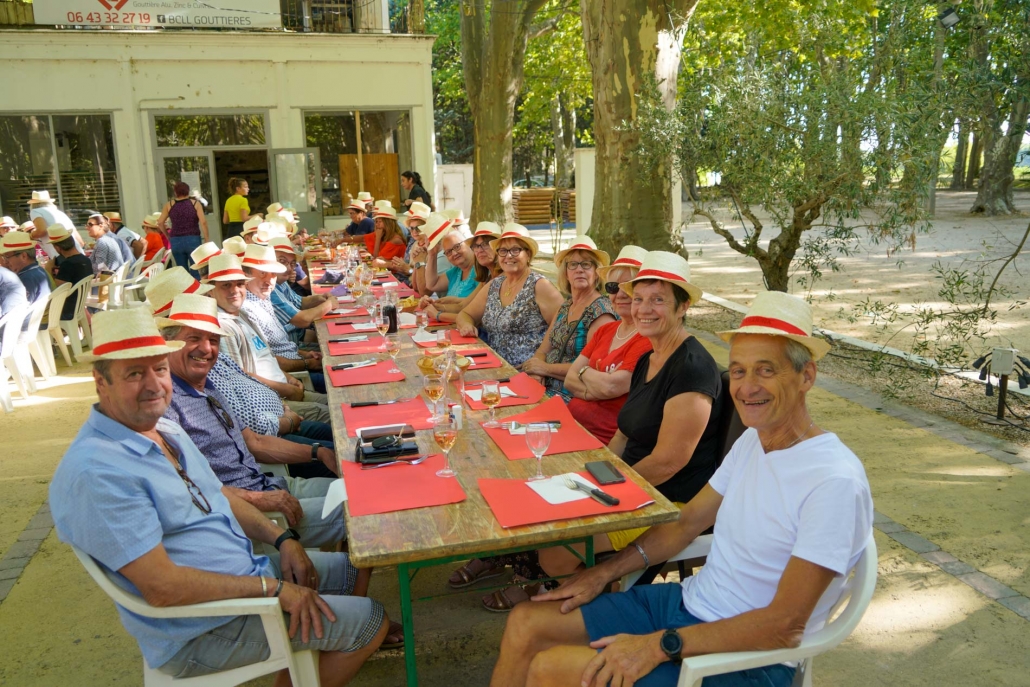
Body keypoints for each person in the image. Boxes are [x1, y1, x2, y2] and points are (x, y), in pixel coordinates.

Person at [491, 291, 872, 687]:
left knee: (551, 668)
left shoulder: (833, 481)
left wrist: (660, 645)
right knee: (525, 622)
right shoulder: (753, 441)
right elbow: (686, 522)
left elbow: (785, 625)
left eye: (766, 371)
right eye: (739, 371)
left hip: (750, 657)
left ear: (806, 376)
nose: (747, 387)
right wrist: (603, 573)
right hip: (689, 604)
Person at [49, 307, 391, 685]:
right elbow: (162, 588)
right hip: (203, 627)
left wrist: (283, 540)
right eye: (134, 373)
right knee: (370, 621)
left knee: (354, 568)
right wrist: (274, 589)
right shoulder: (97, 472)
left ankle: (310, 654)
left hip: (246, 575)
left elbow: (219, 495)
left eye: (158, 369)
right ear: (101, 381)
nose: (153, 384)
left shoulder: (163, 430)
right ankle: (320, 648)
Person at [158, 294, 344, 545]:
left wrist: (317, 452)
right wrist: (257, 500)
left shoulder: (207, 385)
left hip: (271, 484)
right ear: (168, 344)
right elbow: (189, 491)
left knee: (356, 488)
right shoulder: (166, 406)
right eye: (194, 338)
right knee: (357, 509)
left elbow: (255, 442)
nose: (206, 348)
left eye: (213, 340)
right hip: (251, 516)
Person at [144, 267, 335, 456]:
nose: (207, 301)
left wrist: (284, 393)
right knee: (335, 421)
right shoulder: (195, 368)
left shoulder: (213, 343)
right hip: (275, 432)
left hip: (280, 410)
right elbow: (252, 437)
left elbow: (253, 368)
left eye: (240, 284)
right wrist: (289, 420)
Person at [204, 252, 331, 424]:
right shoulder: (223, 326)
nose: (235, 290)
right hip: (270, 405)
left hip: (284, 387)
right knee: (335, 413)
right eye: (226, 285)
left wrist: (288, 378)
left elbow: (266, 354)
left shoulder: (241, 313)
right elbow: (241, 380)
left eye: (239, 284)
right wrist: (288, 385)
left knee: (338, 403)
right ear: (211, 290)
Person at [564, 246, 652, 444]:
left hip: (603, 439)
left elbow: (611, 387)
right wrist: (593, 389)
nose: (619, 294)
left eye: (628, 287)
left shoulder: (647, 339)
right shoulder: (606, 330)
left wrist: (583, 372)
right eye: (613, 287)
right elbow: (569, 379)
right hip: (570, 424)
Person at [456, 224, 563, 368]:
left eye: (515, 250)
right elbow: (465, 314)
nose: (508, 256)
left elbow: (563, 328)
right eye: (503, 251)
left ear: (528, 254)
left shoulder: (539, 285)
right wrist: (467, 325)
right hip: (491, 366)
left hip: (525, 371)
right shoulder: (495, 285)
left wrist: (541, 362)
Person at [521, 236, 616, 398]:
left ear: (596, 273)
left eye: (586, 264)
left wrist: (545, 369)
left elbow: (591, 367)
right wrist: (536, 373)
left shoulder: (601, 312)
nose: (579, 270)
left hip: (571, 394)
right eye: (573, 264)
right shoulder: (566, 306)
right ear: (565, 273)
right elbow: (543, 350)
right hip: (543, 384)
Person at [239, 244, 328, 394]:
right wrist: (307, 363)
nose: (269, 280)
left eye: (273, 274)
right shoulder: (247, 309)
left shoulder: (262, 297)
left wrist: (304, 354)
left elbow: (279, 346)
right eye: (262, 273)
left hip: (297, 360)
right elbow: (269, 360)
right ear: (246, 276)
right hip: (293, 377)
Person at [420, 221, 502, 325]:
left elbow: (475, 317)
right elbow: (463, 305)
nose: (480, 250)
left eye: (486, 244)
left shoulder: (500, 277)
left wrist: (437, 314)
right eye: (476, 246)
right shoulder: (486, 277)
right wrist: (433, 305)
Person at [268, 237, 337, 342]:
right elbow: (302, 320)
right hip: (291, 343)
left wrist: (321, 298)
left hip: (297, 334)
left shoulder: (280, 281)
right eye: (282, 261)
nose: (289, 268)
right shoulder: (269, 289)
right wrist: (329, 305)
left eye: (292, 264)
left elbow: (300, 302)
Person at [422, 215, 479, 305]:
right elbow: (431, 284)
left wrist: (446, 304)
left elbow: (479, 305)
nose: (454, 253)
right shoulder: (456, 271)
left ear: (468, 243)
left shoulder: (480, 270)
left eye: (457, 247)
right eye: (448, 252)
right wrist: (432, 254)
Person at [0, 231, 51, 330]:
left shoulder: (26, 278)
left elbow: (14, 313)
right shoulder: (37, 270)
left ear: (23, 256)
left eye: (7, 257)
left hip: (26, 327)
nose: (5, 262)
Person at [159, 181, 209, 278]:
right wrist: (207, 239)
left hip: (176, 240)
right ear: (188, 191)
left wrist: (168, 236)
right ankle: (197, 287)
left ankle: (185, 287)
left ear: (175, 192)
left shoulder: (169, 205)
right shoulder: (195, 204)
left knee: (182, 271)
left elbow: (160, 222)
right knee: (196, 269)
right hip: (193, 238)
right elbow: (203, 222)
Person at [46, 225, 94, 321]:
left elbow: (57, 290)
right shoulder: (85, 260)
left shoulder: (68, 264)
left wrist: (48, 270)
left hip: (66, 310)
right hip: (79, 306)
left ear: (57, 247)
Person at [27, 189, 84, 259]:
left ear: (32, 204)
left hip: (60, 255)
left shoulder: (35, 211)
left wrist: (30, 235)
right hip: (79, 254)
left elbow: (42, 231)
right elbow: (81, 242)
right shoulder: (60, 213)